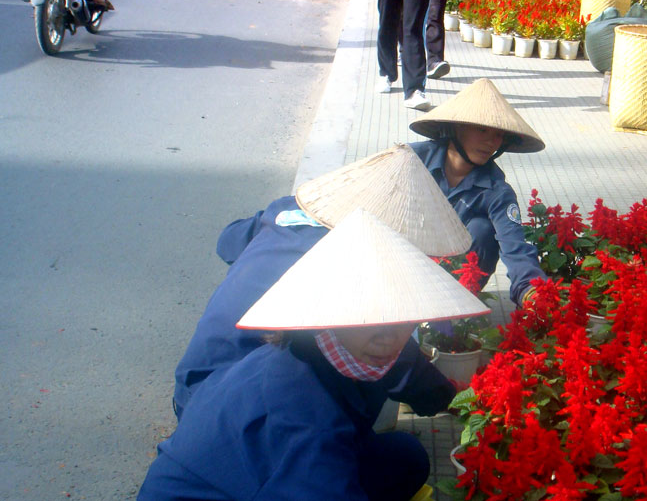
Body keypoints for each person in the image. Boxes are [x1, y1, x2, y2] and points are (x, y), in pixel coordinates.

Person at [140, 208, 487, 501]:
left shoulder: (310, 346)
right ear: (328, 309)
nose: (391, 337)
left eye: (402, 314)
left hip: (251, 463)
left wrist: (473, 401)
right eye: (367, 312)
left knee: (405, 458)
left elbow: (425, 386)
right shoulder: (307, 423)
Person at [171, 144, 472, 419]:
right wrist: (456, 400)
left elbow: (228, 243)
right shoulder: (359, 270)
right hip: (247, 422)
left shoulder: (284, 209)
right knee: (403, 454)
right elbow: (398, 361)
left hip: (191, 389)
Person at [409, 78, 547, 306]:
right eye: (482, 130)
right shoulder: (412, 159)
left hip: (450, 281)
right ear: (457, 127)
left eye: (498, 134)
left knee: (482, 230)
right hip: (400, 261)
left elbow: (515, 247)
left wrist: (532, 291)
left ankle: (454, 310)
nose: (491, 142)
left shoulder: (497, 192)